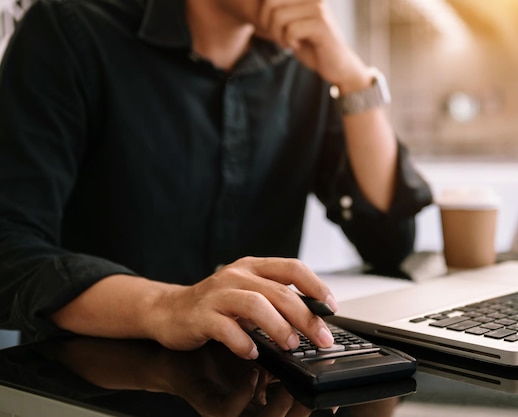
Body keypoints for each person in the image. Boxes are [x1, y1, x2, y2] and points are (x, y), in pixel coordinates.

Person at [0, 0, 432, 359]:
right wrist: (168, 305)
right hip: (92, 383)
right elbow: (9, 250)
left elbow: (389, 242)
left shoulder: (304, 60)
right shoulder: (72, 25)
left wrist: (354, 81)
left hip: (263, 383)